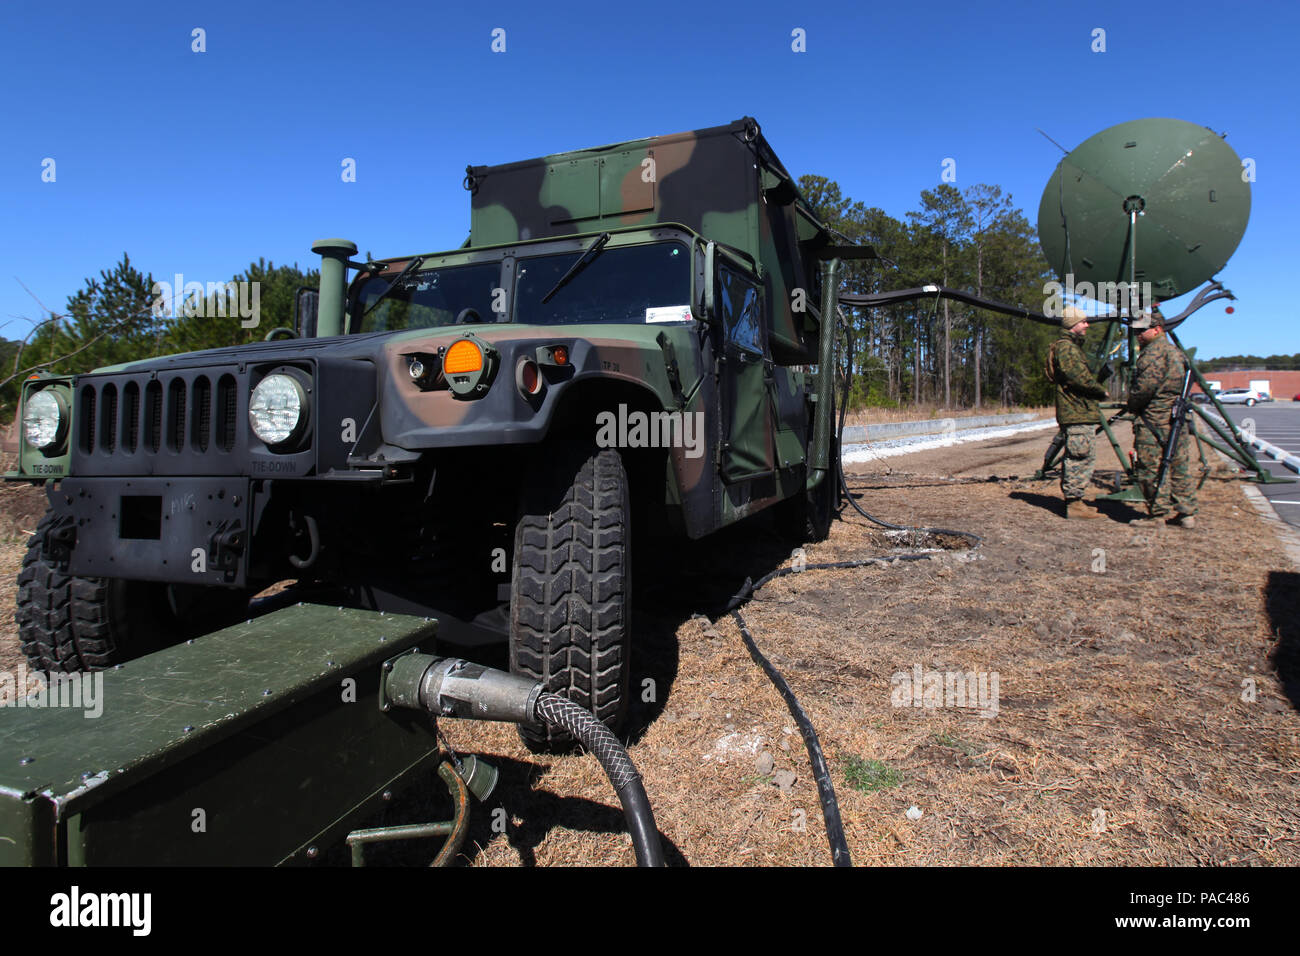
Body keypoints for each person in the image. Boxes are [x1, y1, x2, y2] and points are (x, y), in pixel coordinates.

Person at [1126, 309, 1197, 528]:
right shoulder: (1177, 353)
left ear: (1157, 330)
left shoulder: (1153, 353)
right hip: (1175, 419)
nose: (1137, 334)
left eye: (1141, 330)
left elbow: (1144, 388)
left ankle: (1157, 514)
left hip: (1153, 419)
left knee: (1149, 469)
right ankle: (1186, 513)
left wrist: (1132, 404)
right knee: (1179, 466)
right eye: (1135, 331)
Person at [1048, 307, 1108, 519]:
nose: (1087, 325)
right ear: (1073, 324)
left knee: (1083, 455)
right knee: (1078, 456)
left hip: (1079, 410)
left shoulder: (1070, 347)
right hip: (1075, 411)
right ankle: (1074, 505)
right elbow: (1078, 377)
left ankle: (1077, 501)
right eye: (1083, 322)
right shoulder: (1067, 349)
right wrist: (1100, 391)